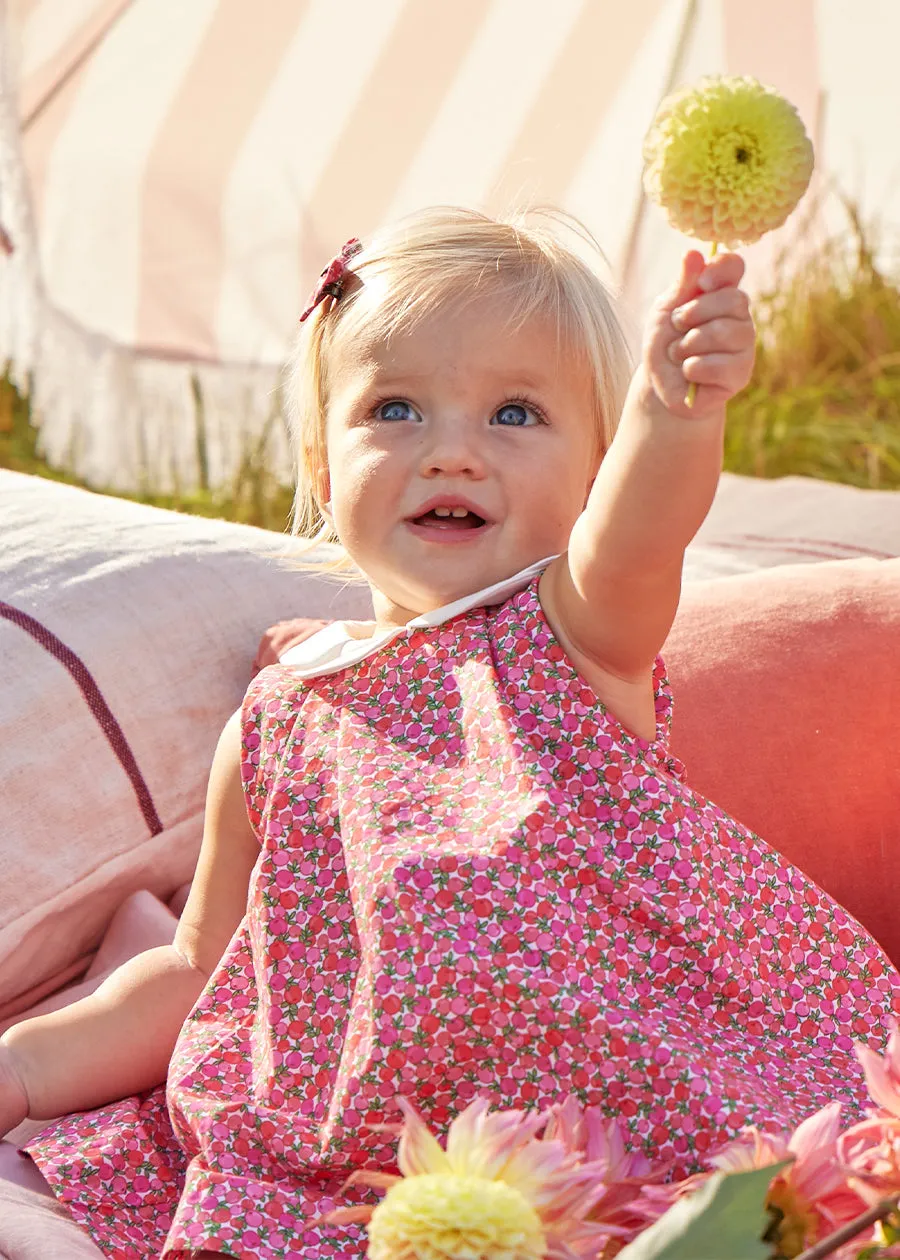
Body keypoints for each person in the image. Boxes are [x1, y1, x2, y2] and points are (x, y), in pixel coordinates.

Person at [0, 206, 896, 1259]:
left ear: (594, 478)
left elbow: (643, 535)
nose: (453, 454)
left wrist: (676, 412)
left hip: (638, 1121)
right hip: (388, 1174)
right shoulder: (282, 715)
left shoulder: (569, 636)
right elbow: (198, 967)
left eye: (516, 415)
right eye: (396, 409)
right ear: (326, 471)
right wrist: (22, 1068)